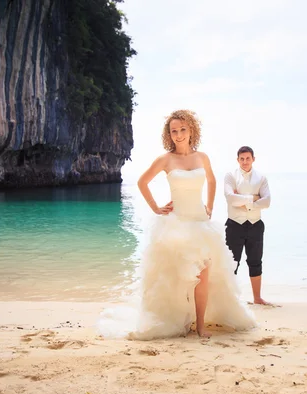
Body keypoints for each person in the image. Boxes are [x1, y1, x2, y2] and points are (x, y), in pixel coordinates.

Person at [96, 110, 256, 340]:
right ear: (168, 134)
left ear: (191, 129)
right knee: (180, 275)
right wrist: (156, 208)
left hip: (200, 222)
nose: (179, 135)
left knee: (203, 274)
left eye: (183, 129)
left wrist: (209, 206)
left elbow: (211, 180)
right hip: (177, 224)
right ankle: (181, 318)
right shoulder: (166, 159)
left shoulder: (202, 157)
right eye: (174, 131)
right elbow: (142, 182)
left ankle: (201, 325)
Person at [223, 146, 272, 305]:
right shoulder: (230, 176)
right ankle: (230, 299)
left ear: (253, 159)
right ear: (238, 160)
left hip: (255, 225)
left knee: (255, 261)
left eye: (248, 158)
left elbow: (267, 201)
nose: (245, 162)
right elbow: (231, 198)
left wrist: (244, 201)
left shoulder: (261, 178)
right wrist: (254, 198)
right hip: (234, 225)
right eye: (242, 159)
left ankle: (257, 298)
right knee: (232, 263)